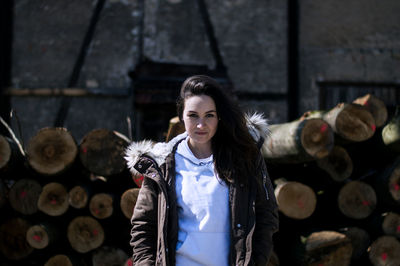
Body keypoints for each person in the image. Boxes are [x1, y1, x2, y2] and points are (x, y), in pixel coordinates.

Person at [125, 75, 279, 266]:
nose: (201, 125)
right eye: (193, 115)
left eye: (209, 115)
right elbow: (143, 226)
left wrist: (255, 261)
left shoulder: (244, 157)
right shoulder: (161, 164)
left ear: (219, 116)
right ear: (181, 115)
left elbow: (267, 214)